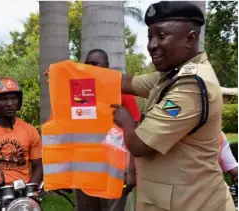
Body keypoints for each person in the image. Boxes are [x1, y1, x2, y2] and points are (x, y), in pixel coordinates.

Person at [110, 1, 236, 210]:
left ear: (190, 38)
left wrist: (125, 122)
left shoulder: (191, 85)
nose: (152, 45)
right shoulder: (172, 75)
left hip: (193, 204)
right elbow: (125, 82)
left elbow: (139, 145)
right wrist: (72, 73)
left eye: (161, 36)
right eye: (150, 37)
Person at [74, 49, 141, 211]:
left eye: (95, 63)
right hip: (86, 169)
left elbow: (134, 131)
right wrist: (56, 76)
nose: (91, 67)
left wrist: (131, 170)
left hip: (115, 168)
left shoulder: (121, 90)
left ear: (107, 66)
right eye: (87, 63)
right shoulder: (79, 92)